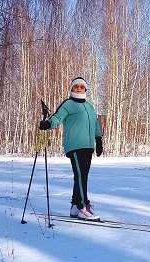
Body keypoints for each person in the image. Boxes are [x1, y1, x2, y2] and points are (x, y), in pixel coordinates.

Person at [39, 77, 103, 221]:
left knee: (83, 175)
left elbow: (95, 123)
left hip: (88, 146)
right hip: (74, 145)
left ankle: (75, 207)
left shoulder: (89, 106)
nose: (79, 88)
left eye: (82, 86)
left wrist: (98, 139)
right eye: (76, 86)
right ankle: (82, 206)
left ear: (85, 89)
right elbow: (57, 117)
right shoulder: (68, 104)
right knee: (81, 175)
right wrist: (48, 124)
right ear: (72, 89)